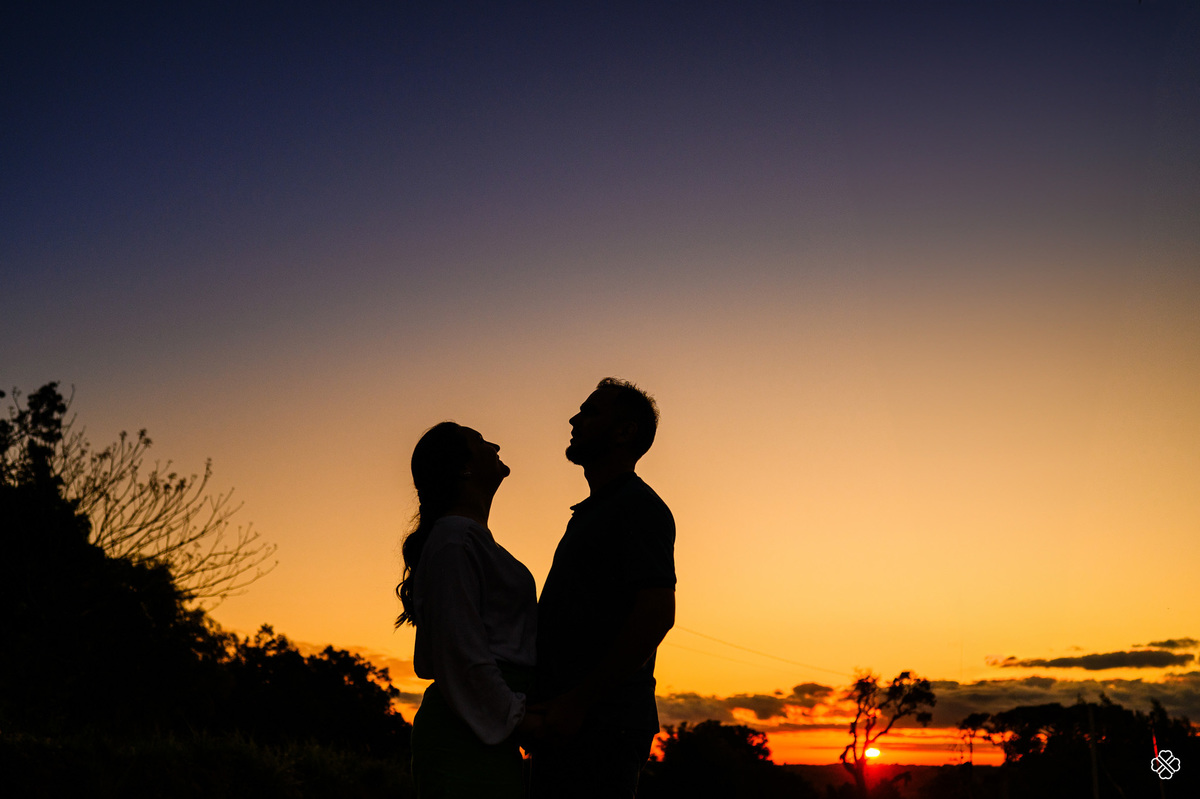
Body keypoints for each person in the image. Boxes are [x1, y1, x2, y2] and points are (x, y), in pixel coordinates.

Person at [532, 378, 677, 798]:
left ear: (624, 431)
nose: (575, 418)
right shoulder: (598, 509)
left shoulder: (636, 506)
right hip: (569, 726)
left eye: (590, 411)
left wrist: (577, 703)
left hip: (599, 730)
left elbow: (655, 613)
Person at [395, 422, 542, 798]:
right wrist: (523, 721)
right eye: (479, 440)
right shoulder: (454, 540)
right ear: (463, 467)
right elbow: (460, 652)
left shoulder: (466, 539)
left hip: (487, 727)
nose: (494, 442)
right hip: (466, 733)